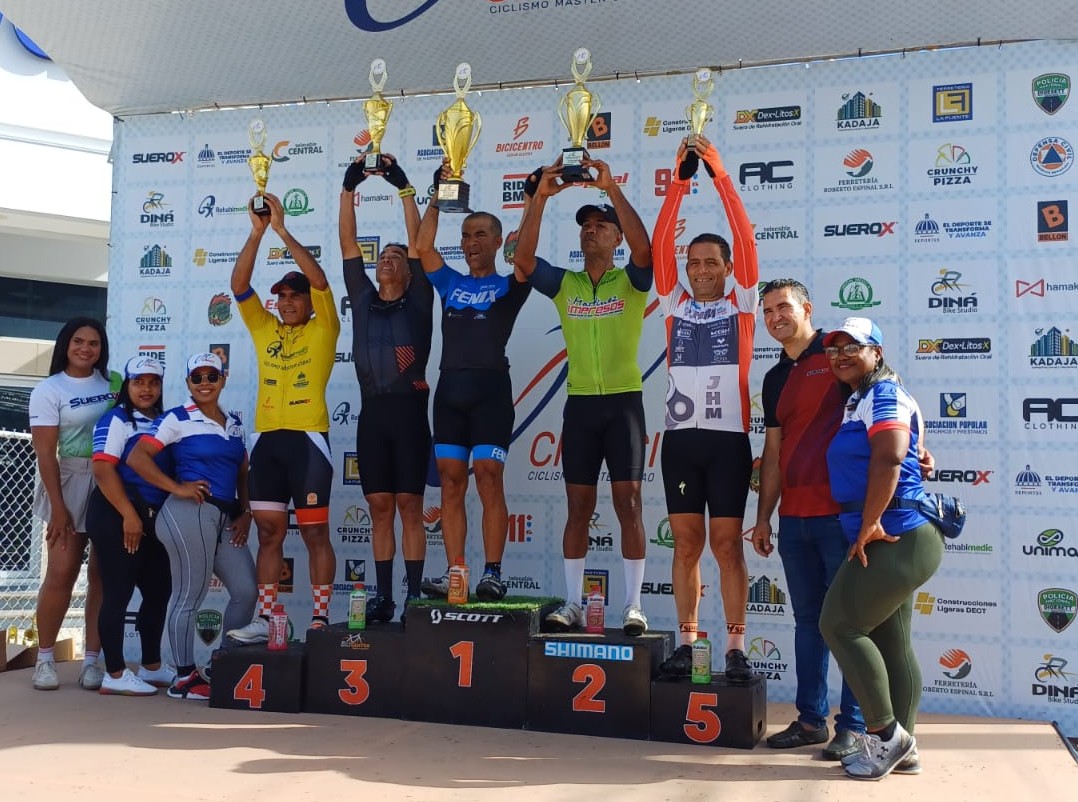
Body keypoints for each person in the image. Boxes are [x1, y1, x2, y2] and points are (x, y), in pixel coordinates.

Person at [512, 155, 653, 636]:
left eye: (601, 226)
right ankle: (573, 603)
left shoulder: (631, 281)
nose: (591, 231)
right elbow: (523, 262)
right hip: (581, 407)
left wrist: (612, 190)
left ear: (616, 237)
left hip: (623, 403)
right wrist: (538, 199)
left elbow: (645, 250)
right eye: (585, 226)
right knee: (578, 508)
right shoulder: (566, 284)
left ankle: (633, 606)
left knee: (628, 505)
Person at [649, 136, 757, 677]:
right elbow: (660, 242)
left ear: (728, 267)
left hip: (729, 440)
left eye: (712, 262)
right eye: (694, 263)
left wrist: (718, 175)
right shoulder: (674, 302)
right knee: (687, 544)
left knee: (727, 546)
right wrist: (679, 181)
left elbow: (744, 234)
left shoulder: (744, 301)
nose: (701, 270)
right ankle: (690, 643)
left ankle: (735, 648)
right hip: (681, 443)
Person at [818, 317, 945, 780]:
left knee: (839, 625)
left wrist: (870, 521)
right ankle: (903, 749)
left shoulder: (884, 393)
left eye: (853, 347)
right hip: (895, 534)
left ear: (877, 352)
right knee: (892, 642)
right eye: (834, 349)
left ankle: (887, 735)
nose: (841, 356)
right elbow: (904, 454)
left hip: (894, 533)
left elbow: (891, 457)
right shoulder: (862, 398)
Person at [750, 279, 866, 759]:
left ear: (807, 309)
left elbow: (886, 400)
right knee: (807, 623)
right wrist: (763, 518)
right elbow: (773, 451)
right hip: (795, 519)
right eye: (768, 310)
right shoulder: (774, 376)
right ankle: (811, 721)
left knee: (850, 624)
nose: (775, 317)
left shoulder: (839, 352)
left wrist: (915, 446)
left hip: (842, 517)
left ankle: (855, 726)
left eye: (784, 307)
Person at [227, 192, 341, 643]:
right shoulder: (264, 327)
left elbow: (321, 280)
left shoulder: (324, 325)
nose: (288, 301)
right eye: (282, 296)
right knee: (269, 534)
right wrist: (256, 234)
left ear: (310, 302)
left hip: (307, 440)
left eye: (296, 295)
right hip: (267, 441)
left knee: (315, 534)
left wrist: (281, 230)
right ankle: (269, 617)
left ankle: (319, 618)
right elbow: (239, 285)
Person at [415, 162, 531, 601]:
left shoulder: (510, 283)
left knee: (487, 476)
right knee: (449, 482)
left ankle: (493, 572)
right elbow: (422, 246)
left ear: (498, 241)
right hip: (449, 391)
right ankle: (456, 572)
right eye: (465, 235)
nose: (471, 242)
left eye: (480, 234)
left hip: (490, 393)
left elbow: (527, 254)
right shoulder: (450, 282)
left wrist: (533, 200)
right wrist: (437, 196)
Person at [126, 353, 257, 701]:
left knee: (246, 590)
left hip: (224, 517)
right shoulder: (177, 417)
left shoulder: (233, 422)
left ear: (223, 379)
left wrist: (246, 512)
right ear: (187, 383)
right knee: (189, 595)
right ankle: (184, 677)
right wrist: (177, 487)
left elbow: (243, 471)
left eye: (211, 376)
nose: (204, 383)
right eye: (196, 377)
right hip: (189, 512)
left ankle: (223, 664)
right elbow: (137, 457)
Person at [339, 154, 432, 622]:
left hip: (409, 414)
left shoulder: (420, 299)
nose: (388, 260)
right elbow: (348, 243)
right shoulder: (362, 298)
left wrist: (404, 188)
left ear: (410, 272)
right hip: (372, 415)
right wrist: (347, 189)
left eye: (397, 257)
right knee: (379, 506)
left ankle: (413, 596)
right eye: (384, 257)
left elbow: (419, 244)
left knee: (410, 505)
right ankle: (383, 597)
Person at [28, 317, 118, 691]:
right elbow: (45, 453)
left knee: (103, 574)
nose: (85, 348)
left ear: (101, 349)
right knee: (62, 572)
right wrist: (59, 507)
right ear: (66, 344)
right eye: (78, 341)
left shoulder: (114, 383)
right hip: (68, 478)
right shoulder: (49, 389)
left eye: (93, 343)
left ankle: (92, 661)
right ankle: (45, 659)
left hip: (111, 480)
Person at [88, 356, 175, 696]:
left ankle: (151, 666)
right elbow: (102, 469)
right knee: (119, 590)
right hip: (116, 513)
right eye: (139, 382)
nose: (146, 389)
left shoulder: (164, 421)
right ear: (127, 385)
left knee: (158, 590)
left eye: (153, 382)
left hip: (152, 517)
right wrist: (128, 514)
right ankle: (114, 672)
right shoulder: (116, 418)